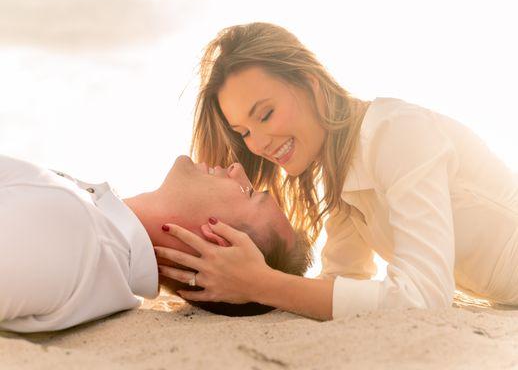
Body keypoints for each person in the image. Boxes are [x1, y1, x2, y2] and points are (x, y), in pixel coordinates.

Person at [155, 22, 518, 321]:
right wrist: (239, 281)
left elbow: (424, 297)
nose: (259, 144)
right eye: (244, 133)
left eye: (265, 114)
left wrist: (261, 284)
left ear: (311, 85)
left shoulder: (396, 134)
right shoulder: (344, 173)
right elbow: (344, 280)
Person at [0, 154, 311, 333]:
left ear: (218, 243)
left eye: (250, 193)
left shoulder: (76, 237)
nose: (237, 169)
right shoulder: (94, 240)